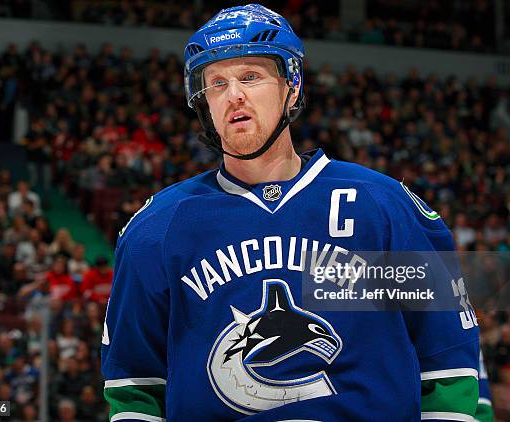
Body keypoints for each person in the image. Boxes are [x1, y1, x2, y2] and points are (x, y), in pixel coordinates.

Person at [101, 4, 480, 421]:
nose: (234, 95)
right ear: (203, 102)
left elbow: (448, 366)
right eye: (217, 84)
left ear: (292, 86)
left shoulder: (383, 206)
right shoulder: (158, 228)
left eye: (250, 77)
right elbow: (135, 386)